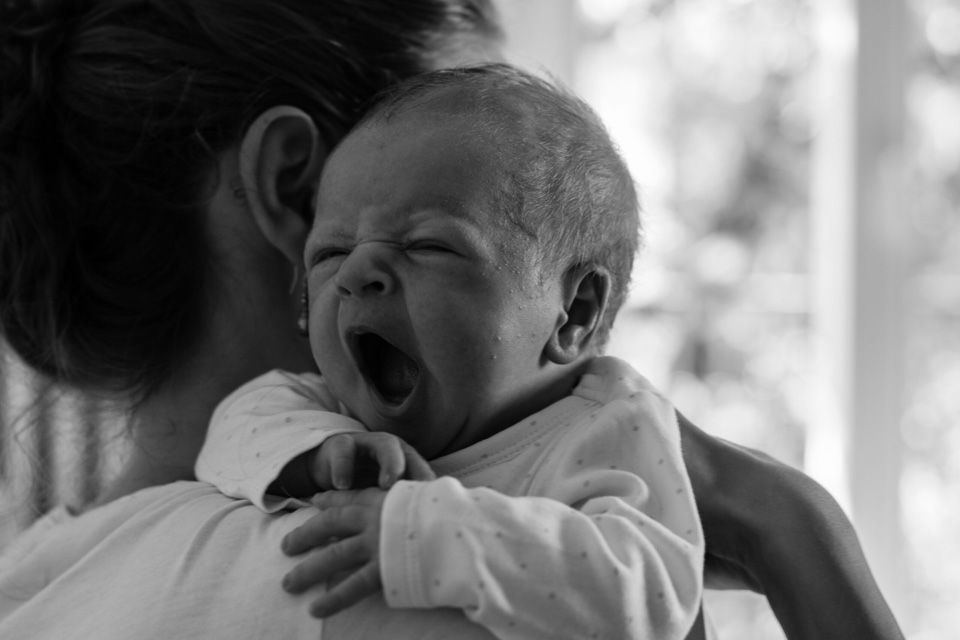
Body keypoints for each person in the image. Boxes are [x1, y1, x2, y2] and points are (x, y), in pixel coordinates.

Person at [0, 0, 905, 639]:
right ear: (293, 187)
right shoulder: (395, 570)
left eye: (433, 245)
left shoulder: (33, 584)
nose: (365, 276)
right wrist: (789, 524)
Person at [196, 63, 704, 640]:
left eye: (428, 245)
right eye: (330, 251)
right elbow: (229, 437)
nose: (357, 272)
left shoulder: (606, 428)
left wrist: (434, 536)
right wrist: (314, 454)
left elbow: (649, 598)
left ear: (576, 313)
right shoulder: (329, 409)